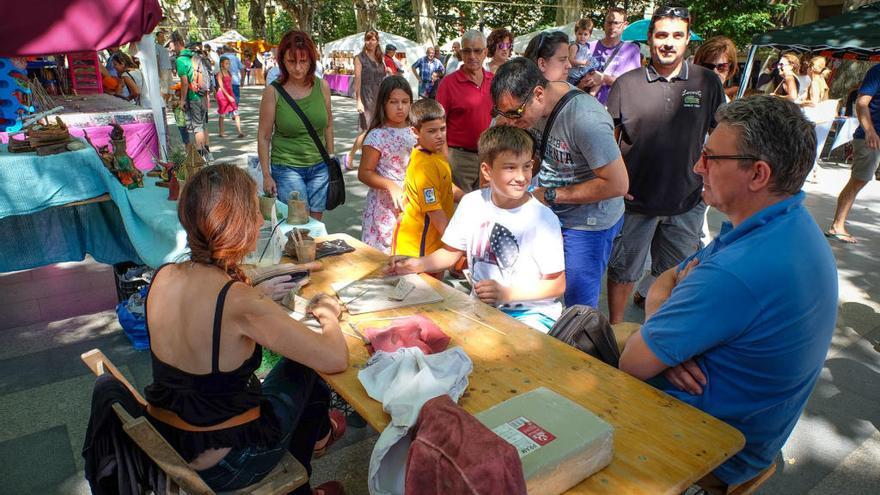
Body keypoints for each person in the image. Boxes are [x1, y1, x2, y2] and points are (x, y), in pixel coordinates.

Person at [619, 95, 837, 493]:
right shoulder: (786, 221)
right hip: (754, 433)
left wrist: (660, 327)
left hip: (715, 444)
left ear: (757, 174)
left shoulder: (737, 270)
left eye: (710, 156)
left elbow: (633, 364)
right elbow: (670, 275)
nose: (697, 166)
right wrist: (666, 330)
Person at [143, 164, 348, 495]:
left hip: (172, 438)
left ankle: (319, 438)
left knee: (294, 385)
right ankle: (311, 456)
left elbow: (207, 315)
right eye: (254, 212)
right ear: (237, 225)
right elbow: (334, 358)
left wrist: (256, 294)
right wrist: (328, 314)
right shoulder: (237, 300)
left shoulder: (164, 273)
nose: (258, 221)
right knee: (306, 368)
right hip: (227, 463)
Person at [605, 5, 725, 324]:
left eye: (677, 35)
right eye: (661, 35)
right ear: (650, 38)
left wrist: (710, 183)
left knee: (675, 277)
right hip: (635, 201)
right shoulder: (626, 84)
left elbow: (723, 136)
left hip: (686, 202)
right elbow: (606, 140)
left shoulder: (707, 82)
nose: (668, 42)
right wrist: (615, 184)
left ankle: (656, 337)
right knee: (623, 271)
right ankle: (615, 334)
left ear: (688, 40)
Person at [387, 125, 565, 331]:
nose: (521, 176)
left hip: (532, 315)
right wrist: (414, 264)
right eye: (510, 167)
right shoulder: (472, 203)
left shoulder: (543, 219)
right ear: (487, 171)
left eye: (526, 166)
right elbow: (450, 253)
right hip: (480, 309)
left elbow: (557, 285)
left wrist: (506, 293)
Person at [491, 58, 628, 310]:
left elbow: (618, 184)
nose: (510, 121)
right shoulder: (530, 109)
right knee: (535, 289)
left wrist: (551, 194)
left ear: (539, 94)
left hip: (588, 223)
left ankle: (580, 348)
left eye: (514, 114)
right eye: (504, 114)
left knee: (578, 304)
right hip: (550, 213)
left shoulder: (586, 120)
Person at [258, 31, 335, 220]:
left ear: (312, 60)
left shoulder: (322, 86)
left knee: (316, 220)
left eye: (304, 61)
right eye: (292, 61)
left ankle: (313, 250)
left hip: (319, 166)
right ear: (282, 61)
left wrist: (331, 158)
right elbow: (264, 136)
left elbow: (328, 125)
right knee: (299, 221)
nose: (298, 68)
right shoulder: (273, 92)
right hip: (286, 167)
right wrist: (267, 175)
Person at [391, 99, 457, 260]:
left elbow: (446, 185)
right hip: (417, 249)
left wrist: (469, 198)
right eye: (432, 131)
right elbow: (434, 211)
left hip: (434, 242)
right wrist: (456, 246)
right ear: (415, 132)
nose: (440, 136)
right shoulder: (424, 167)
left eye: (443, 129)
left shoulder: (436, 154)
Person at [358, 76, 417, 253]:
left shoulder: (416, 131)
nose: (400, 107)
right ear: (383, 103)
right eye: (393, 102)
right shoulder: (377, 135)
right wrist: (390, 185)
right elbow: (364, 173)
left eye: (405, 102)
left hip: (411, 201)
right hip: (383, 207)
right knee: (381, 257)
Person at [826, 62, 880, 244]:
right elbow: (862, 103)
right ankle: (837, 225)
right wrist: (869, 131)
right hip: (871, 138)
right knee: (859, 180)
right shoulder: (877, 71)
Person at [435, 30, 494, 194]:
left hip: (489, 157)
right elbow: (438, 124)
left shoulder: (494, 81)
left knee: (485, 209)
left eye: (477, 51)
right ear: (461, 53)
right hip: (459, 160)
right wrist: (445, 157)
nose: (472, 56)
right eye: (467, 51)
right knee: (461, 211)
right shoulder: (448, 83)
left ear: (486, 52)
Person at [581, 6, 642, 104]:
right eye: (609, 22)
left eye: (616, 23)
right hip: (587, 109)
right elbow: (575, 81)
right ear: (604, 23)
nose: (612, 27)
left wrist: (603, 78)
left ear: (625, 25)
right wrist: (583, 83)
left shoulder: (632, 50)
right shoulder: (588, 47)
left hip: (616, 112)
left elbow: (633, 86)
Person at [346, 30, 386, 171]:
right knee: (366, 129)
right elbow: (358, 79)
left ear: (377, 41)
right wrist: (358, 100)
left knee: (379, 129)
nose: (370, 42)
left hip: (380, 96)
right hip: (366, 96)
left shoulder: (380, 58)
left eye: (373, 39)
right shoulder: (359, 58)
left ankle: (372, 159)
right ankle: (350, 155)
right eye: (368, 39)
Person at [693, 36, 738, 102]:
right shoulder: (686, 97)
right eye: (708, 66)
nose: (715, 72)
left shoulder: (727, 102)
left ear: (730, 68)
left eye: (722, 67)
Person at [216, 57, 244, 138]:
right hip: (222, 95)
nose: (228, 65)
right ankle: (221, 132)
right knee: (222, 114)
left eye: (229, 63)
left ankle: (240, 131)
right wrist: (228, 96)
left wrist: (232, 95)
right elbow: (221, 86)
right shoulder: (219, 74)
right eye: (226, 63)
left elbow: (230, 86)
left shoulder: (229, 72)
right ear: (222, 64)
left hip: (230, 94)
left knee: (236, 113)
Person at [567, 19, 599, 90]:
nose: (582, 37)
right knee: (570, 94)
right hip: (572, 77)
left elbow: (588, 60)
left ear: (589, 35)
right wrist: (583, 62)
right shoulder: (575, 46)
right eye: (580, 34)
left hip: (581, 76)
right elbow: (570, 60)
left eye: (585, 34)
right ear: (575, 33)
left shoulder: (586, 46)